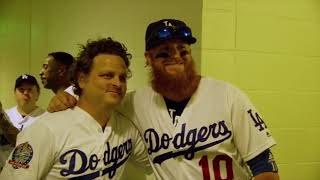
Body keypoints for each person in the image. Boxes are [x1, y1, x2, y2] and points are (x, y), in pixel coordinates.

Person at [48, 19, 280, 180]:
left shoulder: (228, 96)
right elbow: (97, 98)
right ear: (148, 58)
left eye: (183, 50)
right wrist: (67, 94)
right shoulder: (134, 103)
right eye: (164, 53)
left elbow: (263, 165)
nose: (176, 57)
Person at [0, 38, 150, 179]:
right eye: (107, 75)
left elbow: (157, 160)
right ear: (82, 80)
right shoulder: (45, 130)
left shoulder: (126, 129)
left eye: (122, 78)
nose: (118, 83)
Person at [0, 74, 45, 171]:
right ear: (14, 93)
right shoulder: (5, 115)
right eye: (21, 89)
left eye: (30, 90)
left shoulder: (47, 118)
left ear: (38, 94)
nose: (25, 93)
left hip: (32, 174)